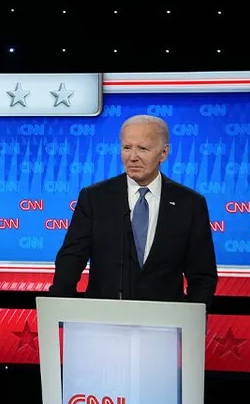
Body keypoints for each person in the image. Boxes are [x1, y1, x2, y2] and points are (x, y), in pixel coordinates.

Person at [49, 114, 217, 307]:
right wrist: (59, 308)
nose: (133, 157)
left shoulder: (189, 203)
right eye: (127, 148)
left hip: (164, 325)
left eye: (143, 149)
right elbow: (71, 260)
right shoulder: (95, 198)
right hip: (103, 321)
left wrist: (192, 321)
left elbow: (202, 274)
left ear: (164, 153)